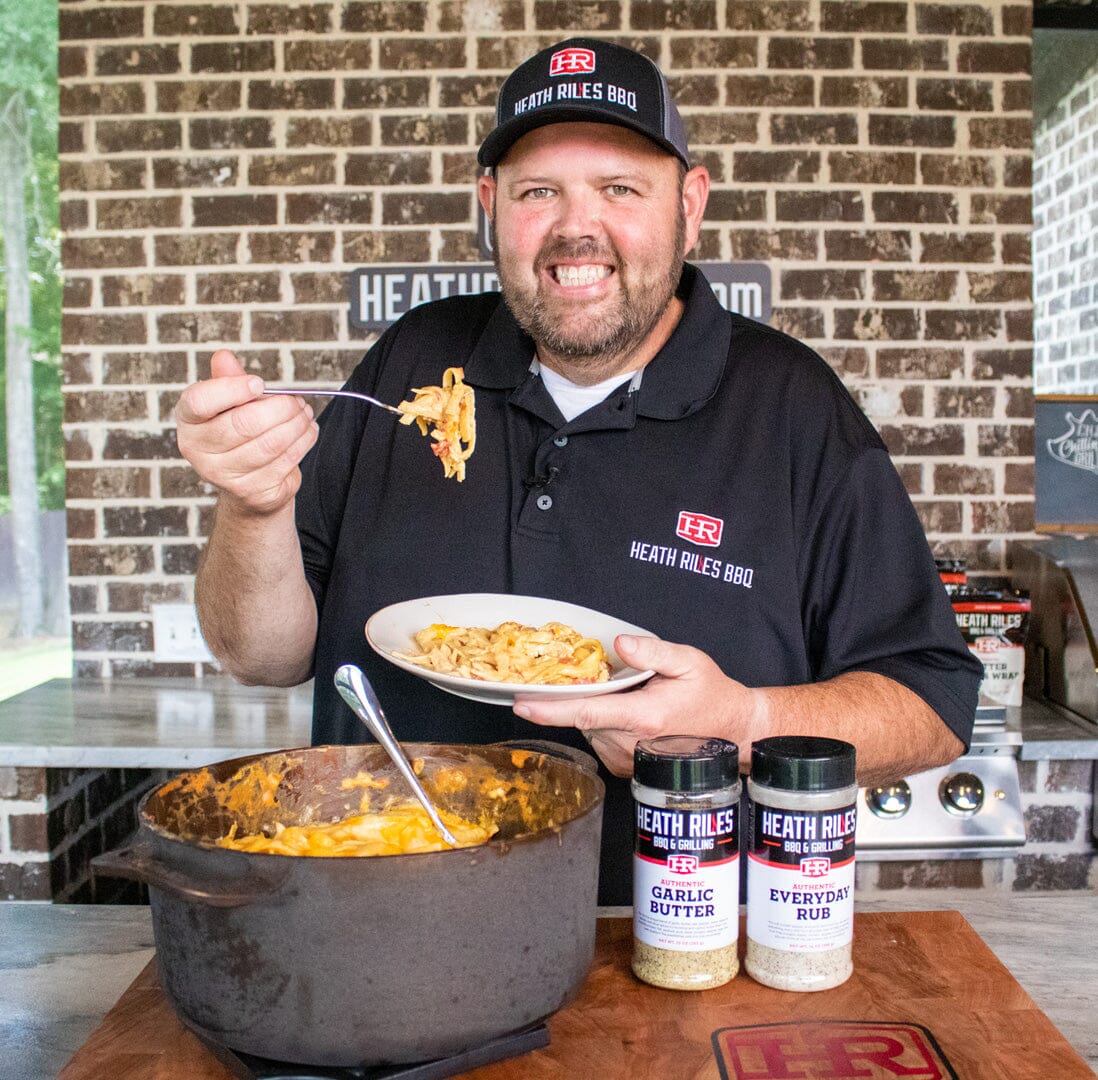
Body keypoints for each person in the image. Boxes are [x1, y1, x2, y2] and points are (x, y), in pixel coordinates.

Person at [176, 38, 983, 904]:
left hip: (676, 940)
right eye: (538, 191)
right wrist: (253, 509)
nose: (575, 228)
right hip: (381, 925)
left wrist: (742, 723)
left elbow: (931, 706)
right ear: (490, 205)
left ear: (691, 203)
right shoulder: (412, 361)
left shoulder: (792, 407)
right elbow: (260, 657)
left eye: (620, 189)